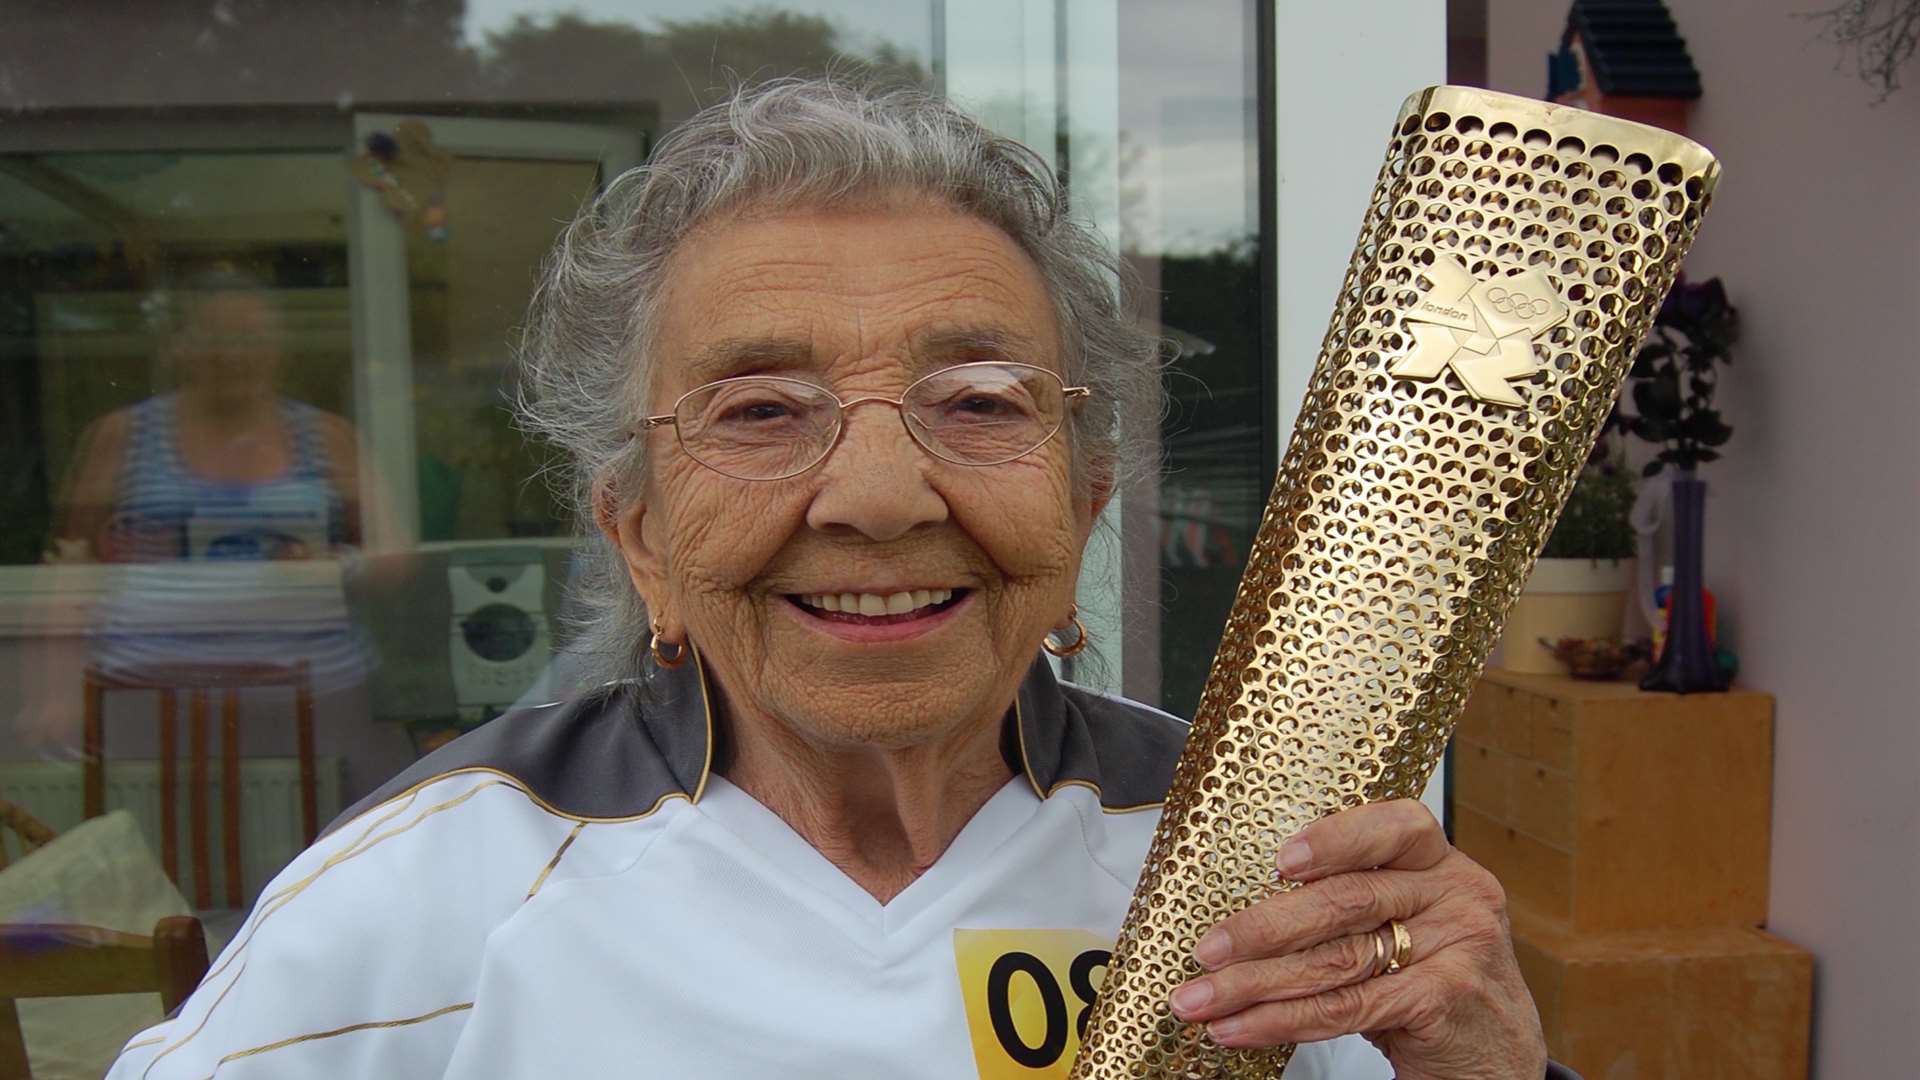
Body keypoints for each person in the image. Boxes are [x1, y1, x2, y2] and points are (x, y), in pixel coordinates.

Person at [108, 80, 1571, 1079]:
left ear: (1083, 503)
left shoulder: (1262, 872)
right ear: (638, 536)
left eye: (982, 401)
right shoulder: (436, 896)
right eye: (759, 412)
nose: (878, 498)